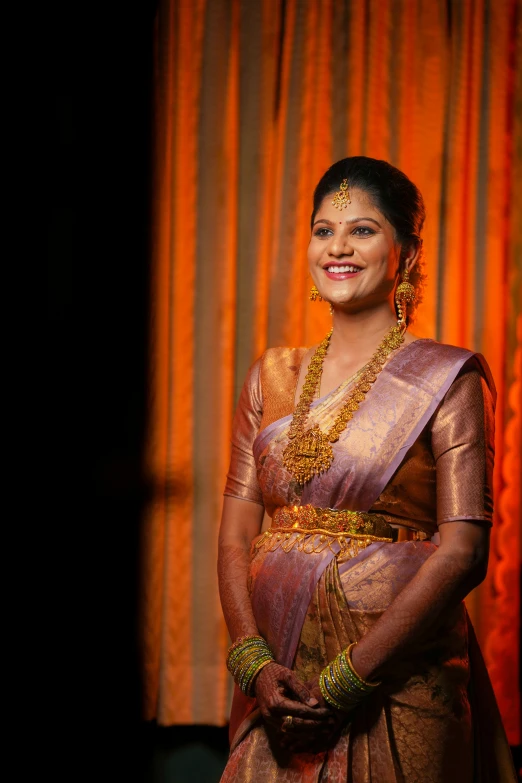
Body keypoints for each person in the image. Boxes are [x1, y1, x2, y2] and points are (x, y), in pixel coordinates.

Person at [217, 156, 516, 782]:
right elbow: (236, 534)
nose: (339, 247)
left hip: (399, 679)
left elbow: (462, 551)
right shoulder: (271, 377)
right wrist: (252, 661)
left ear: (406, 252)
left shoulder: (446, 378)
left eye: (363, 229)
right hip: (279, 675)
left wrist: (353, 676)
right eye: (324, 230)